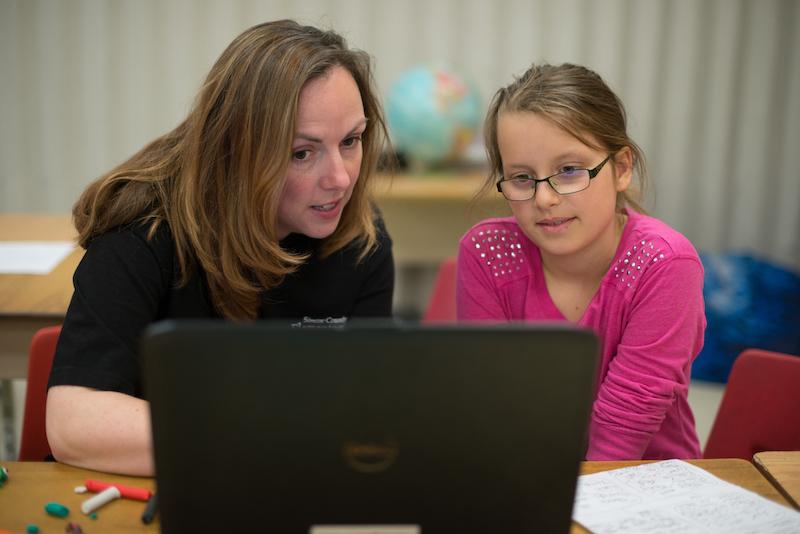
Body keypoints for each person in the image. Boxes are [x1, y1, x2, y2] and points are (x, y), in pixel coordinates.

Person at [46, 20, 395, 475]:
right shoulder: (145, 232)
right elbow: (74, 421)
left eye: (351, 141)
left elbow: (368, 409)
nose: (342, 178)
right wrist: (261, 435)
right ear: (238, 150)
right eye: (301, 153)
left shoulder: (360, 240)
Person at [457, 63, 705, 460]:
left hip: (644, 483)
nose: (544, 199)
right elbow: (494, 402)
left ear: (621, 168)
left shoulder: (666, 263)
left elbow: (622, 431)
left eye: (569, 170)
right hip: (531, 474)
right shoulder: (486, 253)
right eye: (521, 177)